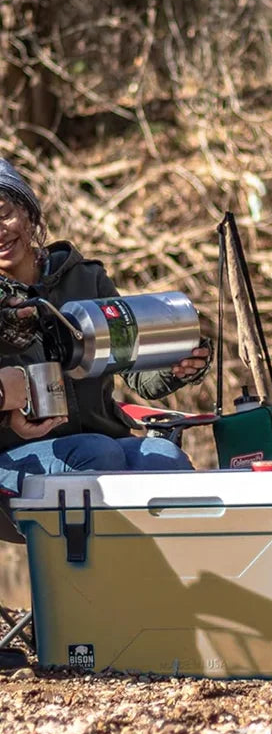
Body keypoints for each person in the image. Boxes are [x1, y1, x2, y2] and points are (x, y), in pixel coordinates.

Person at [0, 159, 210, 495]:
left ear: (27, 210)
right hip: (17, 456)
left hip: (106, 439)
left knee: (167, 459)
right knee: (97, 454)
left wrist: (178, 367)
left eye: (4, 214)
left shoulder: (83, 277)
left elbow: (134, 370)